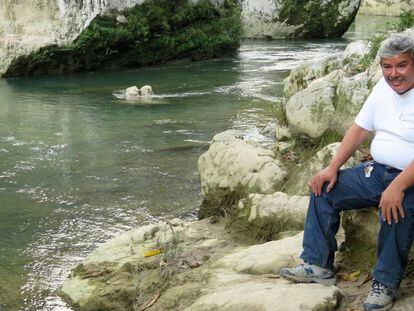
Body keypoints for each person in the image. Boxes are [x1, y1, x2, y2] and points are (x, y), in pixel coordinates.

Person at [279, 32, 414, 311]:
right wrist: (332, 167)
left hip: (410, 178)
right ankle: (317, 264)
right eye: (387, 66)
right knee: (323, 188)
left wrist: (398, 186)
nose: (393, 73)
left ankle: (386, 284)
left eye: (401, 65)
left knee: (396, 209)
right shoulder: (382, 89)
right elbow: (359, 128)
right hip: (378, 172)